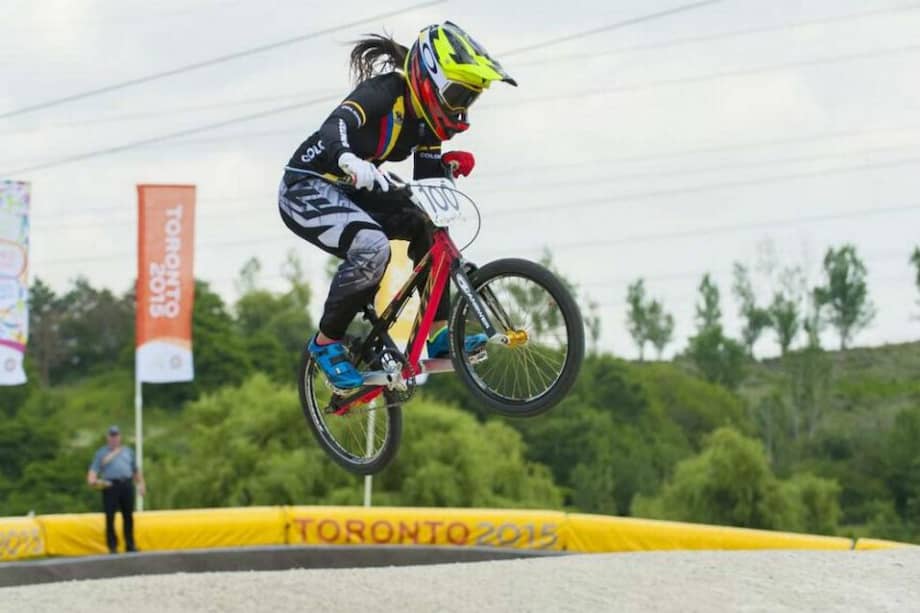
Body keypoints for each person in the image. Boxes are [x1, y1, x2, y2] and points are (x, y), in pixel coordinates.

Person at [279, 21, 516, 389]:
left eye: (468, 99)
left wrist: (447, 167)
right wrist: (347, 159)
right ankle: (326, 344)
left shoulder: (428, 126)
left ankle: (438, 335)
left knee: (427, 224)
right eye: (455, 94)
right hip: (306, 186)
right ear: (429, 80)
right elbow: (334, 126)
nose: (459, 108)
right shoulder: (385, 92)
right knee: (372, 247)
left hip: (351, 188)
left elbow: (427, 185)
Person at [86, 425, 145, 554]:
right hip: (110, 485)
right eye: (111, 436)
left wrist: (141, 484)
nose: (114, 439)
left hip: (126, 484)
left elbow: (135, 470)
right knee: (110, 516)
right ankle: (112, 546)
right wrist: (93, 480)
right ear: (108, 437)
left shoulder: (128, 451)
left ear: (120, 437)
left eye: (116, 436)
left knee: (128, 516)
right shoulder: (101, 453)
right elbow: (94, 470)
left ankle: (130, 544)